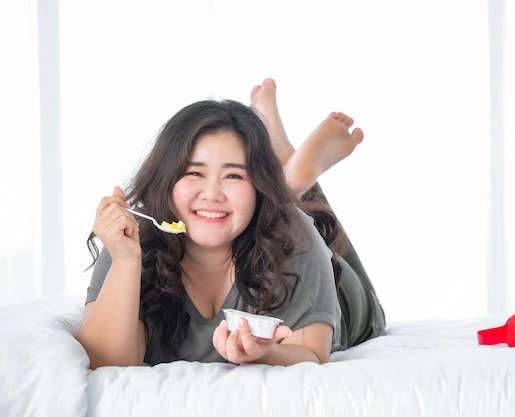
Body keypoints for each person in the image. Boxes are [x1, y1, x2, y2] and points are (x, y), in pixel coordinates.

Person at [76, 78, 386, 369]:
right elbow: (107, 360)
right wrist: (126, 261)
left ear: (257, 187)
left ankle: (293, 182)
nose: (211, 194)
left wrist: (266, 353)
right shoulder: (132, 240)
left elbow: (311, 353)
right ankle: (286, 174)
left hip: (338, 291)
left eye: (234, 175)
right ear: (165, 180)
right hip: (266, 212)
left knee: (320, 243)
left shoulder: (297, 237)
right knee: (285, 211)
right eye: (195, 173)